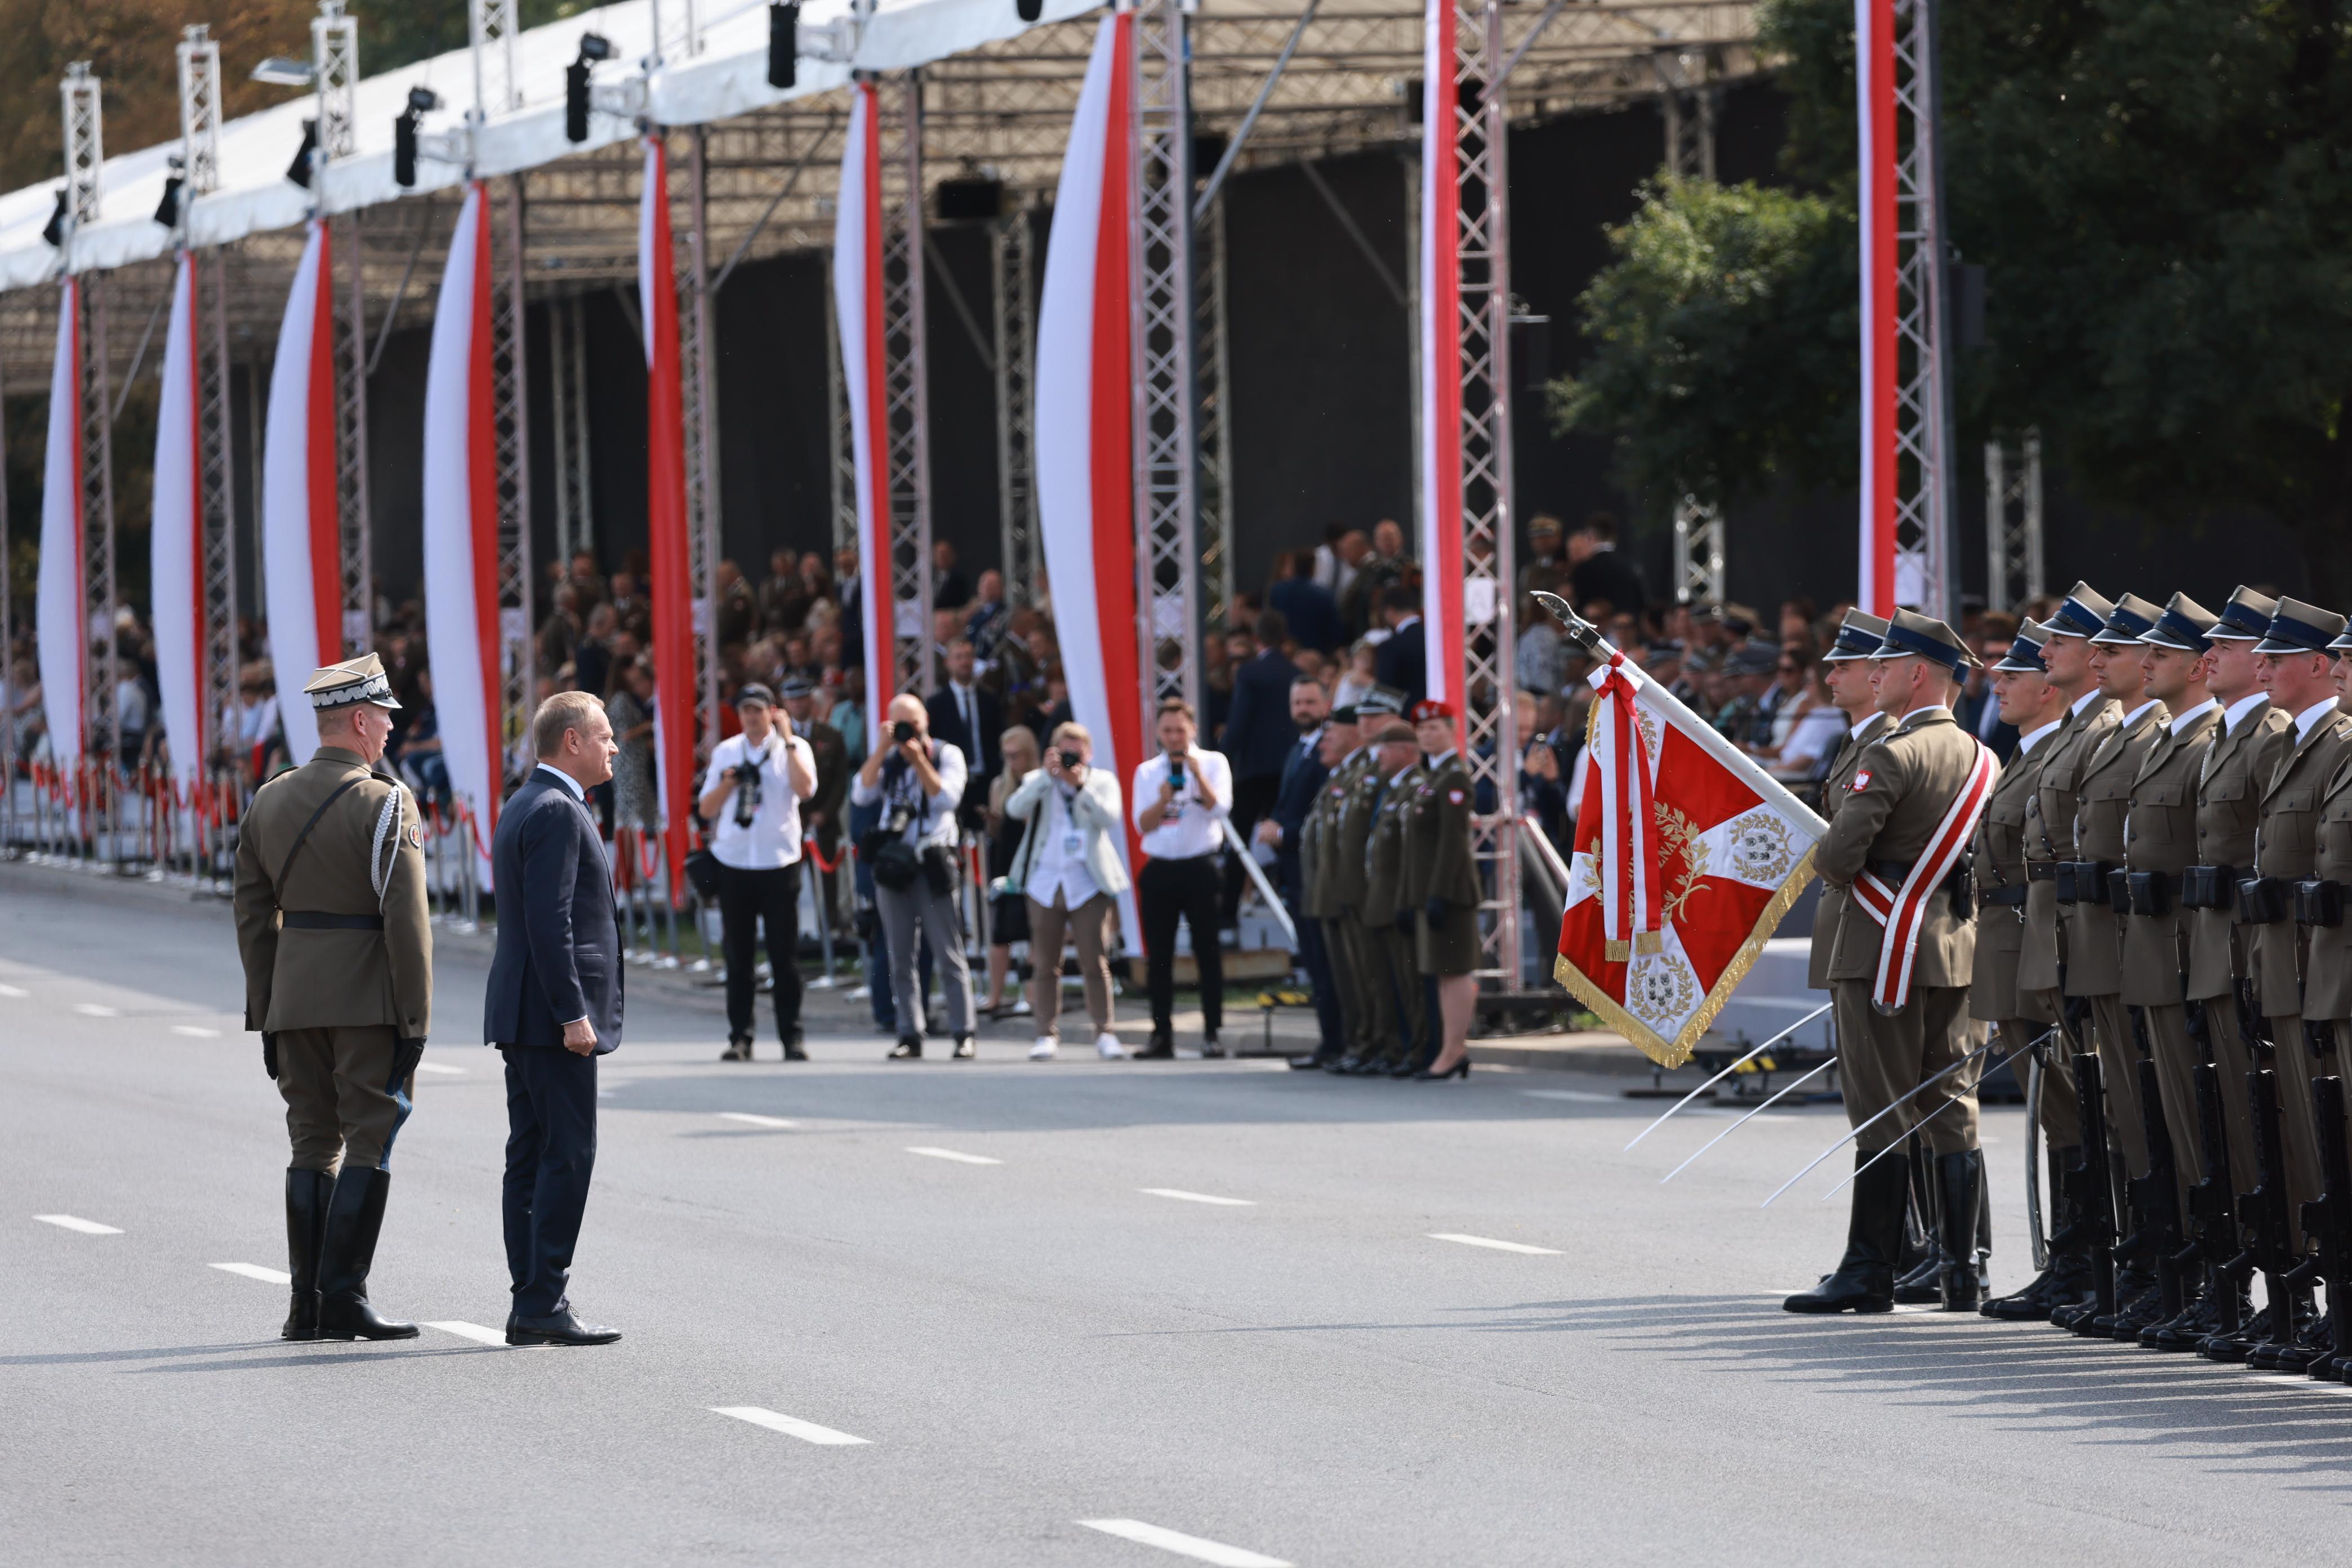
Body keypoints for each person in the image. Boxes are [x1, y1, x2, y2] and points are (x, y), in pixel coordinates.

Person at [1787, 609, 1989, 1316]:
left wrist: (1824, 849)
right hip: (1954, 947)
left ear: (1918, 674)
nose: (1875, 674)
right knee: (1951, 1102)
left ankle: (1870, 1267)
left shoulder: (1892, 754)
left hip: (1882, 947)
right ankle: (1961, 1270)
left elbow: (1840, 859)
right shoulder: (1981, 756)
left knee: (1881, 1108)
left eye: (1887, 664)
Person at [231, 653, 432, 1344]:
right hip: (366, 1000)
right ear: (359, 720)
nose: (390, 730)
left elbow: (251, 916)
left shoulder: (269, 798)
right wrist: (415, 1019)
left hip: (293, 1001)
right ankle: (343, 1296)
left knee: (312, 1142)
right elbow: (407, 923)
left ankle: (305, 1306)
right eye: (384, 718)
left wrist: (267, 1011)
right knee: (370, 1138)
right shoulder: (387, 803)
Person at [483, 692, 625, 1347]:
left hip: (525, 1011)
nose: (614, 746)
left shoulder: (529, 800)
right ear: (572, 741)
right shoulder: (557, 810)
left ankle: (532, 1299)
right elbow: (551, 922)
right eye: (605, 735)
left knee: (532, 1155)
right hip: (550, 1017)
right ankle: (543, 1299)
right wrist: (573, 1013)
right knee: (566, 1154)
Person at [2106, 594, 2225, 1345]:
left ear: (2200, 665)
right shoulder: (2164, 739)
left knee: (2211, 1126)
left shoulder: (2206, 740)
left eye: (2161, 653)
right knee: (2161, 1122)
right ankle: (2175, 1273)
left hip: (2193, 957)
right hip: (2150, 955)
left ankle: (2217, 1281)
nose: (2145, 662)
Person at [2238, 596, 2352, 1368]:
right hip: (2308, 970)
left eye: (2346, 659)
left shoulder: (2335, 747)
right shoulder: (2303, 748)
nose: (2340, 669)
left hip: (2326, 969)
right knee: (2317, 1142)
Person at [2178, 587, 2292, 1359]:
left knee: (2271, 1127)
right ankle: (2244, 1285)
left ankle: (2290, 1292)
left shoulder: (2269, 736)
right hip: (2212, 949)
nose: (2210, 655)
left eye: (2229, 645)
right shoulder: (2228, 733)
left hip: (2255, 953)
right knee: (2228, 1125)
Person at [1974, 623, 2094, 1324]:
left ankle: (2080, 1263)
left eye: (2013, 675)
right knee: (2053, 1108)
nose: (1998, 685)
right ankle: (2067, 1261)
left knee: (2069, 1105)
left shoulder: (2059, 752)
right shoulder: (2025, 755)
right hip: (2012, 945)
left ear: (2048, 689)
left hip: (2042, 944)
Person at [853, 693, 976, 1059]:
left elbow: (946, 799)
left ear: (926, 722)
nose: (908, 731)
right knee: (900, 954)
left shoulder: (946, 754)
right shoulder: (889, 759)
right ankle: (909, 1033)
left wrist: (919, 759)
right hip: (895, 863)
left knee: (947, 950)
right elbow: (862, 794)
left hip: (933, 860)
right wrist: (881, 750)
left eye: (914, 723)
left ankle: (963, 1032)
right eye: (900, 725)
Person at [700, 683, 818, 1063]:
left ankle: (792, 1037)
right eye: (746, 710)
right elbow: (706, 808)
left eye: (758, 709)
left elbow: (805, 789)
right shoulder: (727, 751)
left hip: (779, 862)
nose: (752, 717)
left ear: (773, 711)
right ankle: (741, 1037)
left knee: (784, 956)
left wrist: (788, 740)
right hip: (735, 862)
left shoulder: (794, 748)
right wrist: (729, 783)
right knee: (739, 957)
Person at [1005, 721, 1132, 1060]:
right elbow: (1014, 809)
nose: (1071, 757)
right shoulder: (1040, 779)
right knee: (1046, 962)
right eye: (1065, 751)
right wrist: (1047, 777)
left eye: (1077, 751)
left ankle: (1105, 1032)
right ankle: (1046, 1033)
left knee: (1095, 960)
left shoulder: (1101, 781)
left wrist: (1080, 786)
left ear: (1089, 753)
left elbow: (1109, 818)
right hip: (1045, 882)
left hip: (1087, 882)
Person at [1131, 697, 1234, 1058]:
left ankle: (1212, 1033)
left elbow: (1221, 808)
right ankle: (1161, 1034)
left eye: (1180, 730)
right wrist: (1163, 800)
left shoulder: (1213, 762)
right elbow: (1143, 825)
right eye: (1167, 731)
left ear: (1193, 729)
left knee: (1208, 952)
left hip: (1200, 867)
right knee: (1159, 957)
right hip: (1161, 868)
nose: (1174, 737)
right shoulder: (1147, 772)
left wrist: (1197, 777)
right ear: (1159, 733)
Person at [1406, 700, 1480, 1079]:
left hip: (1451, 891)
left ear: (1452, 731)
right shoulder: (1433, 775)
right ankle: (1452, 1049)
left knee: (1455, 971)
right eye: (1421, 729)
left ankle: (1453, 1051)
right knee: (1443, 971)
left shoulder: (1453, 776)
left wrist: (1438, 892)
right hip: (1434, 889)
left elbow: (1453, 843)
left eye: (1434, 727)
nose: (1427, 734)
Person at [1355, 719, 1428, 1075]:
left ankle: (1416, 1050)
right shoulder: (1394, 790)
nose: (1379, 756)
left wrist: (1404, 900)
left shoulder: (1415, 787)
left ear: (1406, 751)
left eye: (1385, 748)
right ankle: (1395, 1047)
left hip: (1398, 901)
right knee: (1388, 982)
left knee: (1409, 983)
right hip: (1381, 901)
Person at [1219, 610, 1302, 924]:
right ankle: (1296, 903)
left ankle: (1228, 915)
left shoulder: (1249, 673)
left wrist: (1222, 758)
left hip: (1252, 770)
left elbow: (1238, 722)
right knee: (1287, 837)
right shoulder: (1295, 672)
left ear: (1256, 640)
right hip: (1287, 769)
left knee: (1239, 842)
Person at [982, 725, 1041, 1020]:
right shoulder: (999, 785)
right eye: (1006, 756)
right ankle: (994, 996)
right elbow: (998, 828)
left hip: (1034, 861)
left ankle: (1031, 995)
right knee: (1000, 933)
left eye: (1016, 755)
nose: (1011, 762)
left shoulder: (1040, 782)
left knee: (1036, 932)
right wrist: (992, 820)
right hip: (1007, 862)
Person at [926, 638, 1003, 828]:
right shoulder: (936, 704)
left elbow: (998, 738)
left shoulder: (990, 700)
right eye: (958, 657)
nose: (964, 662)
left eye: (968, 657)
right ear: (947, 663)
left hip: (985, 781)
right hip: (953, 781)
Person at [1566, 513, 1646, 617]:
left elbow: (1579, 607)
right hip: (1626, 624)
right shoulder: (1631, 567)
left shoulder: (1583, 569)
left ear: (1591, 537)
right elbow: (1641, 603)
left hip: (1593, 625)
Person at [1268, 551, 1344, 654]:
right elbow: (1335, 632)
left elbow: (1271, 621)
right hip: (1316, 652)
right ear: (1312, 568)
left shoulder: (1277, 591)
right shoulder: (1325, 595)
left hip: (1284, 651)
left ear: (1294, 567)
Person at [1371, 587, 1427, 708]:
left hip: (1406, 716)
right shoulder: (1435, 639)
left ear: (1390, 612)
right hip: (1439, 714)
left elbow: (1385, 695)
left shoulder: (1390, 647)